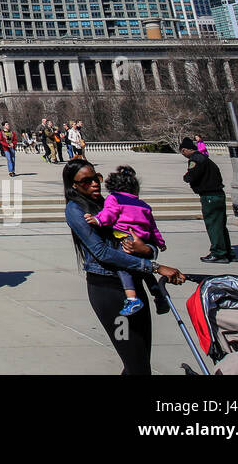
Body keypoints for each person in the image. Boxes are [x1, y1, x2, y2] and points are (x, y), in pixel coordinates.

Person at [64, 158, 186, 375]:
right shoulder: (75, 210)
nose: (94, 184)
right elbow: (101, 252)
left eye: (96, 178)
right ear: (74, 185)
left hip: (134, 287)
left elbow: (144, 236)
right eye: (86, 181)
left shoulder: (113, 201)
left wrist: (147, 250)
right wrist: (154, 267)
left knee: (139, 362)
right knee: (136, 364)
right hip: (109, 292)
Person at [85, 166, 167, 317]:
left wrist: (97, 220)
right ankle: (159, 295)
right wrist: (160, 242)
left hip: (124, 237)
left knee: (123, 266)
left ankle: (131, 298)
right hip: (143, 238)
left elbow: (108, 214)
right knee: (146, 272)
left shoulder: (114, 198)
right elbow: (153, 227)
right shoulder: (144, 205)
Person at [178, 138, 236, 263]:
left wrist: (186, 177)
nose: (183, 155)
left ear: (185, 150)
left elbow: (191, 176)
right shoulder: (205, 159)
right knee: (220, 225)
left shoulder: (196, 159)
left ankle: (218, 253)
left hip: (209, 196)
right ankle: (227, 252)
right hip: (218, 194)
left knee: (214, 225)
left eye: (182, 152)